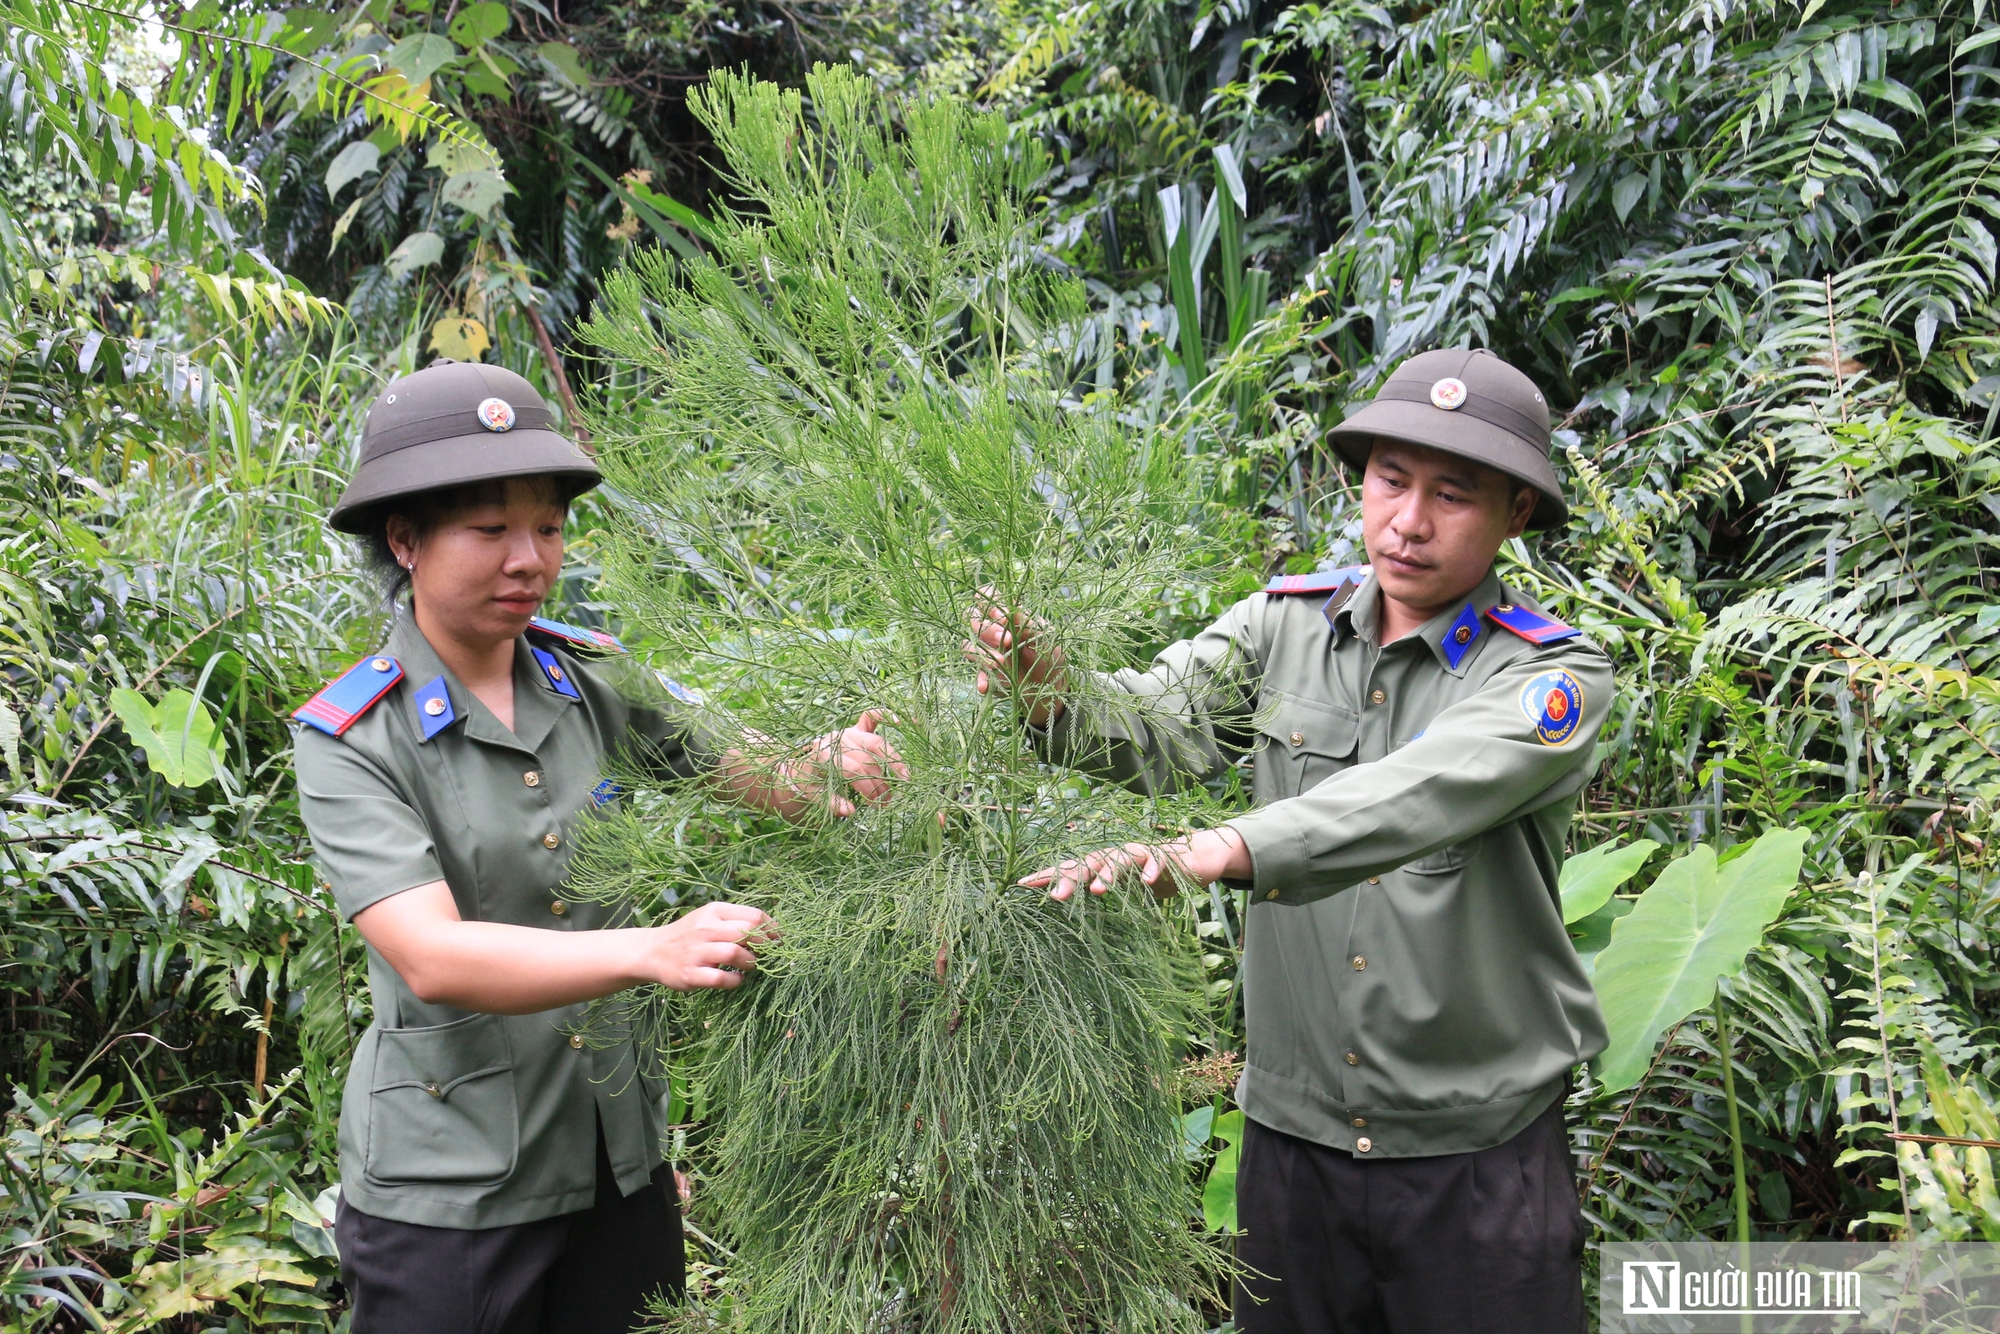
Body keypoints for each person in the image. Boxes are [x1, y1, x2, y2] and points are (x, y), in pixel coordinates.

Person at [965, 348, 1611, 1334]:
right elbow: (1149, 720)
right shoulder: (1283, 626)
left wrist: (1221, 847)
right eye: (1390, 479)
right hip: (1291, 1151)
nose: (1407, 520)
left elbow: (1414, 790)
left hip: (1475, 1162)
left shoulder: (1549, 675)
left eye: (1452, 494)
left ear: (1515, 512)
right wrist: (1045, 685)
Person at [295, 360, 905, 1334]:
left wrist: (836, 762)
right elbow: (432, 953)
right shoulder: (353, 735)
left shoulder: (588, 677)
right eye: (489, 529)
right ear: (404, 539)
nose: (528, 557)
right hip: (447, 1194)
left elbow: (758, 774)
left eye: (546, 524)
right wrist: (648, 949)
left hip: (615, 1165)